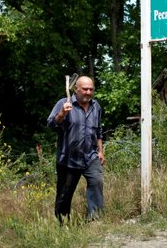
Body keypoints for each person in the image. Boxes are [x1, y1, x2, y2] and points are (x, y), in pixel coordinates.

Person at [47, 75, 105, 224]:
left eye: (91, 89)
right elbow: (51, 125)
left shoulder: (96, 106)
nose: (88, 92)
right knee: (64, 195)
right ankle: (63, 223)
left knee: (97, 181)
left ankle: (95, 220)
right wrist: (62, 114)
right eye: (85, 89)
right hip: (68, 158)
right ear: (76, 89)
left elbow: (98, 131)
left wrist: (100, 151)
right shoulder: (64, 103)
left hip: (90, 156)